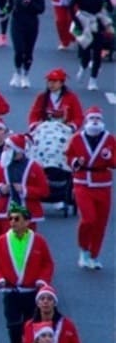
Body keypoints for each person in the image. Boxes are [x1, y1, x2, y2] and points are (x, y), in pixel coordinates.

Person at [0, 204, 56, 343]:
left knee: (31, 323)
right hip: (11, 291)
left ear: (27, 222)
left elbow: (47, 263)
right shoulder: (1, 241)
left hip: (31, 291)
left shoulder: (38, 241)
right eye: (10, 219)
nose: (12, 222)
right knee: (13, 324)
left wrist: (42, 280)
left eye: (17, 219)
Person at [67, 107, 115, 269]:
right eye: (92, 118)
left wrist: (110, 158)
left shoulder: (110, 139)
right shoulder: (76, 139)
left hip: (103, 185)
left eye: (98, 119)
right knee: (88, 218)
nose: (95, 121)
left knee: (101, 222)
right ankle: (83, 250)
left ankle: (94, 256)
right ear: (87, 121)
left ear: (101, 121)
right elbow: (69, 156)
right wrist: (76, 163)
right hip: (82, 183)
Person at [69, 0, 111, 90]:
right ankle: (83, 67)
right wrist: (76, 21)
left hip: (97, 23)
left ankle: (93, 80)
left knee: (97, 53)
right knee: (86, 52)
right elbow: (71, 6)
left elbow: (109, 8)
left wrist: (106, 6)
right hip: (84, 21)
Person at [8, 0, 47, 88]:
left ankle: (26, 74)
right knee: (19, 50)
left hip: (31, 24)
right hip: (17, 23)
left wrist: (31, 4)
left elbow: (41, 9)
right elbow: (8, 6)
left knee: (28, 51)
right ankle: (17, 72)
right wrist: (3, 11)